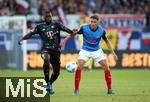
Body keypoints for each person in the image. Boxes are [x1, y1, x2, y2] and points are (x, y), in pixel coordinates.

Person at [18, 11, 75, 94]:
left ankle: (49, 84)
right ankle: (47, 82)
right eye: (46, 16)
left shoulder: (57, 25)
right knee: (46, 59)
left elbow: (67, 30)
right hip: (46, 49)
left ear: (51, 17)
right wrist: (22, 39)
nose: (48, 18)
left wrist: (73, 32)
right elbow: (30, 34)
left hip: (56, 50)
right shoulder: (39, 27)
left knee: (56, 72)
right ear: (44, 17)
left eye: (49, 16)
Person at [61, 15, 118, 95]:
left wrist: (113, 53)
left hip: (97, 51)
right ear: (89, 21)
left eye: (95, 22)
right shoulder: (84, 28)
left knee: (106, 67)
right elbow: (73, 34)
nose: (93, 23)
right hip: (85, 50)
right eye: (91, 21)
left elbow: (107, 41)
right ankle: (76, 90)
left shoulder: (101, 31)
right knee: (79, 66)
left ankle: (109, 89)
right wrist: (64, 41)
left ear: (98, 22)